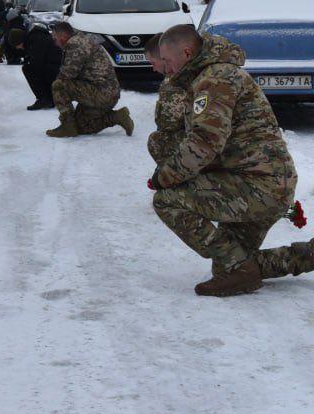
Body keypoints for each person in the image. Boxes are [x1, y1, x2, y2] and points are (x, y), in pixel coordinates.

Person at [151, 25, 313, 295]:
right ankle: (307, 256)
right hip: (264, 183)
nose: (166, 68)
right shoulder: (214, 74)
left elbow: (205, 142)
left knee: (166, 200)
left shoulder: (214, 80)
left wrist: (164, 177)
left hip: (257, 186)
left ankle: (241, 268)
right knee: (230, 266)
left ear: (187, 53)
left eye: (167, 60)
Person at [46, 21, 134, 138]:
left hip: (101, 93)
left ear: (62, 35)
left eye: (55, 39)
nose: (55, 43)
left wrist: (56, 96)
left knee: (59, 85)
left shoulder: (75, 44)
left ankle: (67, 126)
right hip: (105, 93)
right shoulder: (81, 39)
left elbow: (67, 75)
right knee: (81, 127)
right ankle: (117, 117)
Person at [144, 34, 188, 166]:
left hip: (207, 145)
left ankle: (173, 176)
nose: (153, 69)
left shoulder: (173, 80)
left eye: (153, 63)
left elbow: (168, 123)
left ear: (165, 58)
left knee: (157, 140)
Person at [7, 24, 61, 110]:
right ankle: (49, 98)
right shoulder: (34, 38)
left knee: (28, 70)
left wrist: (28, 62)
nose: (17, 48)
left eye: (16, 45)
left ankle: (44, 99)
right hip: (57, 66)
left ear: (20, 41)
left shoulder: (35, 41)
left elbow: (37, 63)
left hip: (58, 69)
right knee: (32, 68)